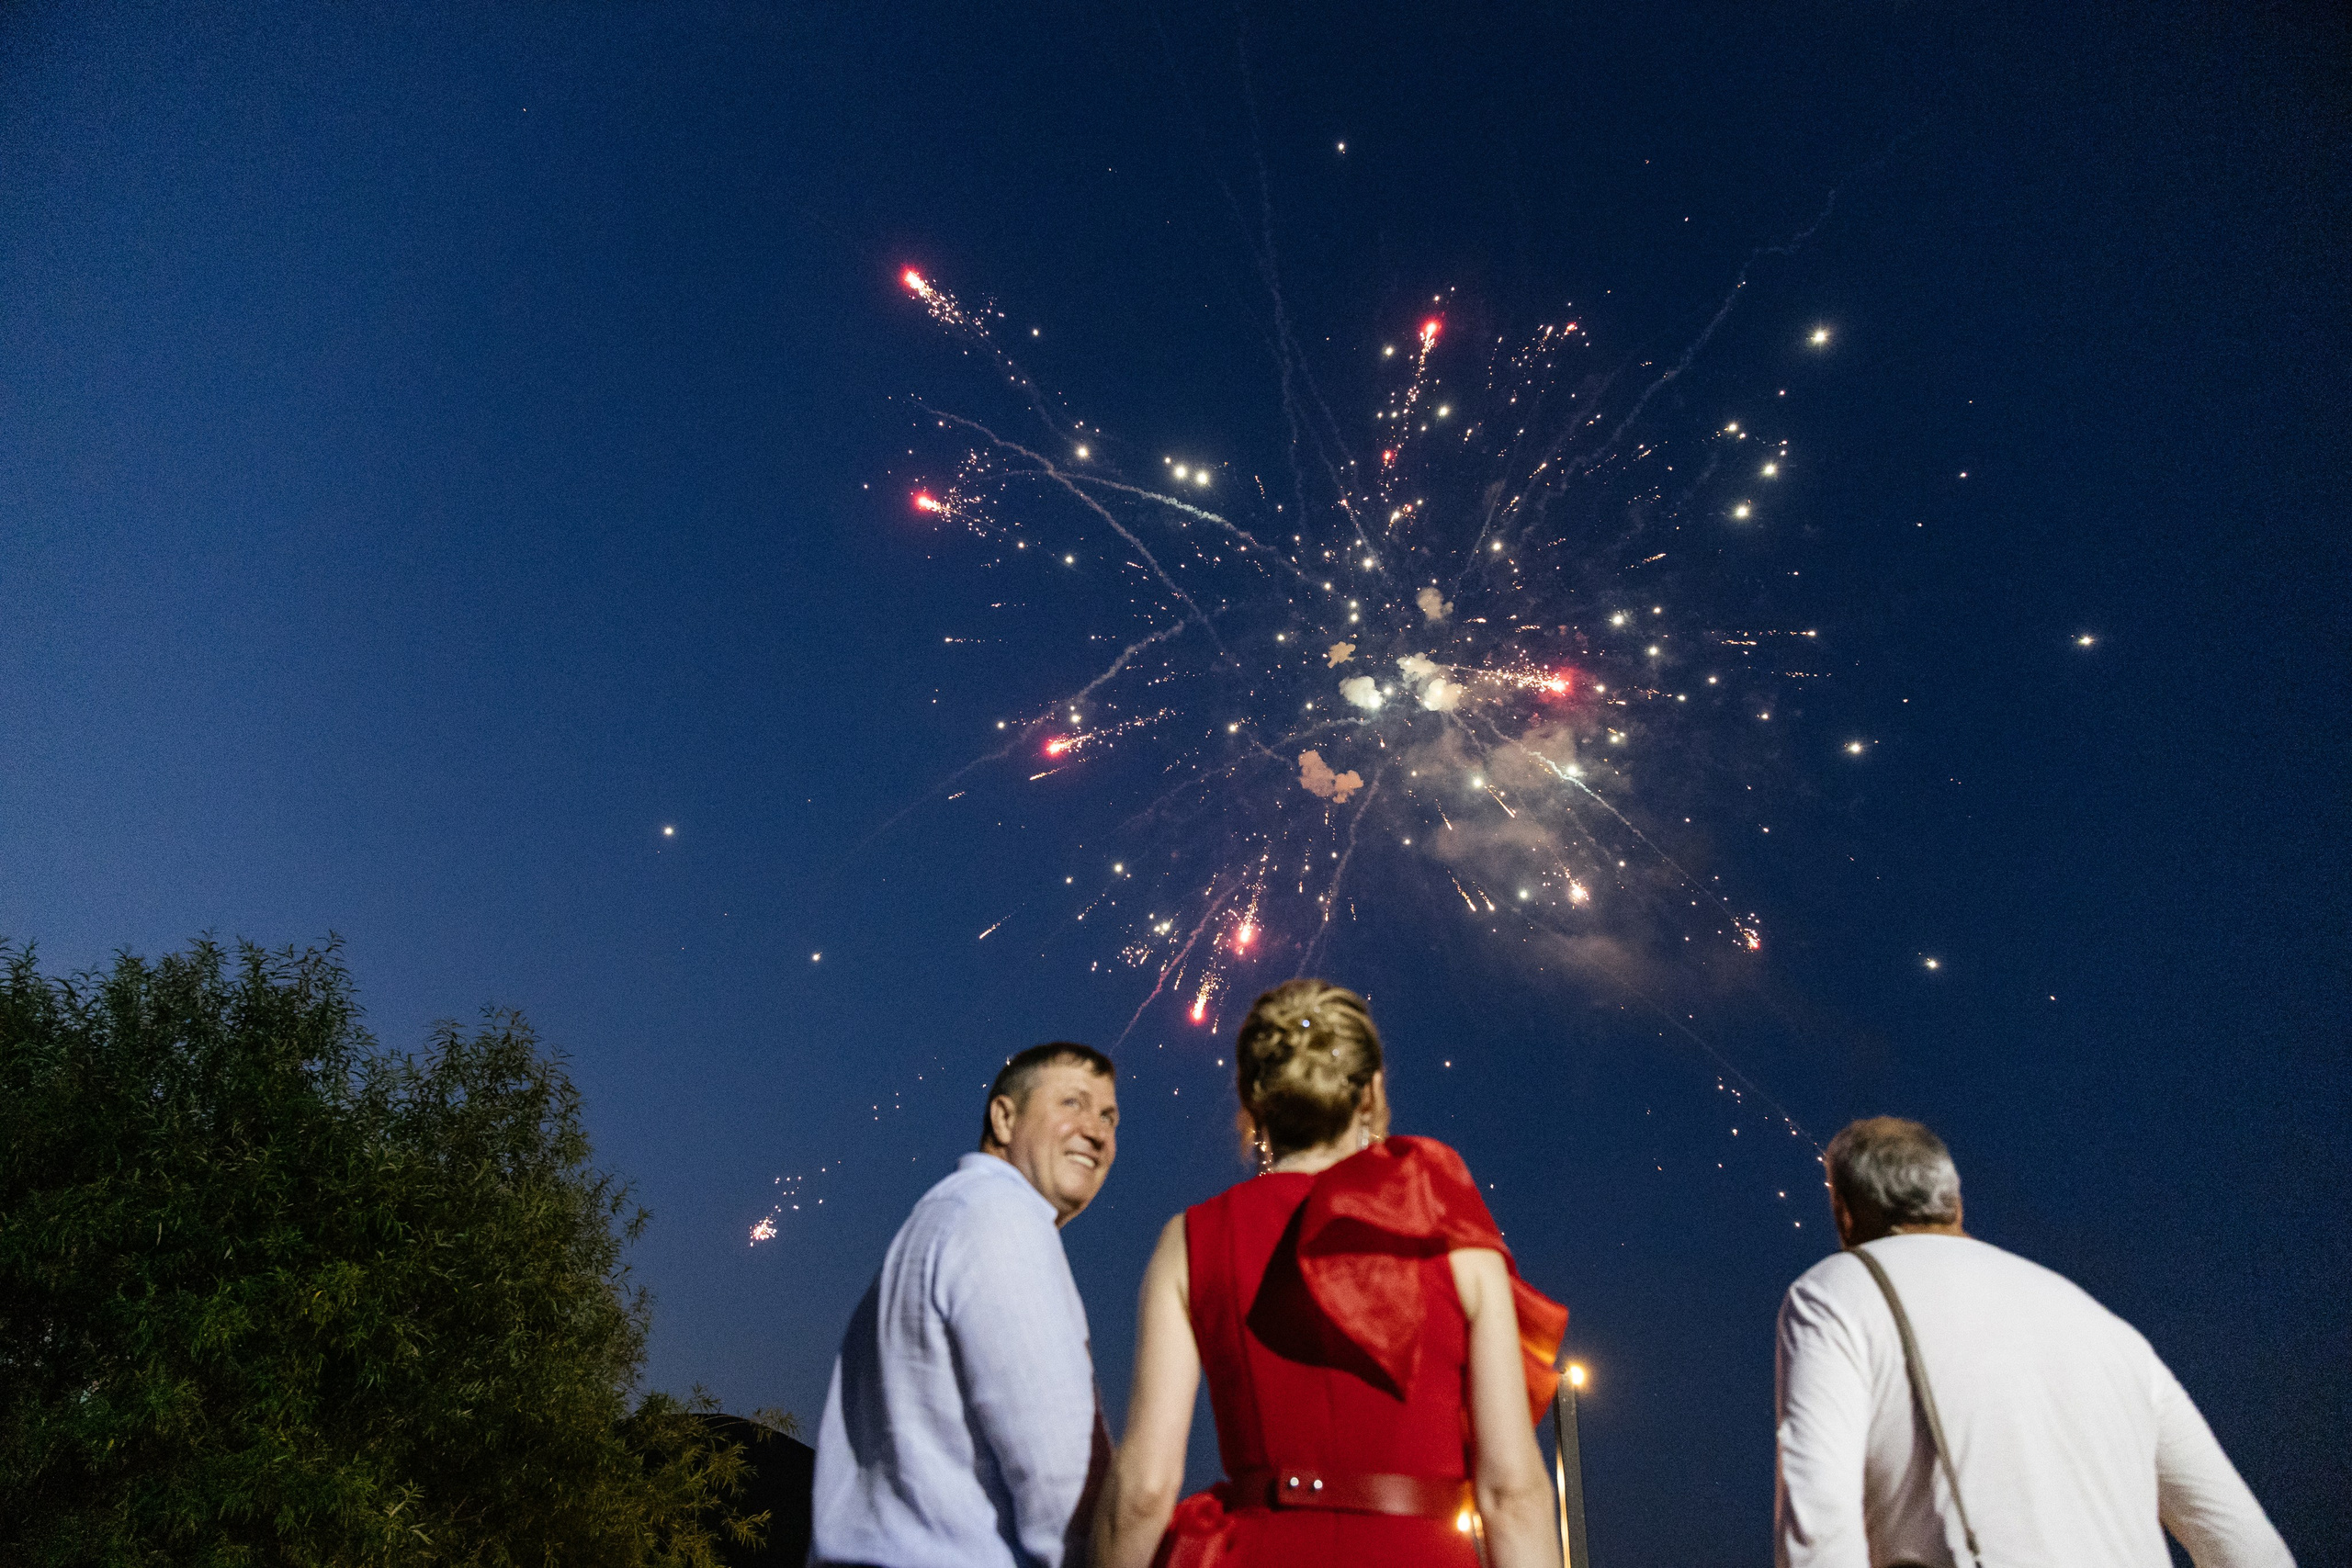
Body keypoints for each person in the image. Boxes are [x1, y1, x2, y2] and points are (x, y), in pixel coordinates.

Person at [1094, 979, 1567, 1568]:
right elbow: (1512, 1496)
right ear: (1371, 1092)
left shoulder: (1191, 1239)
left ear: (1251, 1098)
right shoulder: (1457, 1244)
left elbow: (1144, 1492)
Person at [1775, 1116, 2295, 1568]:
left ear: (1844, 1212)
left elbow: (1820, 1524)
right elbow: (2248, 1547)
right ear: (1955, 1203)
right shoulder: (2105, 1326)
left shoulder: (1834, 1293)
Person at [810, 1042, 1119, 1568]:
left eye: (1110, 1117)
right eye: (1073, 1103)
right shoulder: (1002, 1218)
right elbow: (1063, 1485)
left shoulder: (942, 1219)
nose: (1097, 1132)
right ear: (1004, 1118)